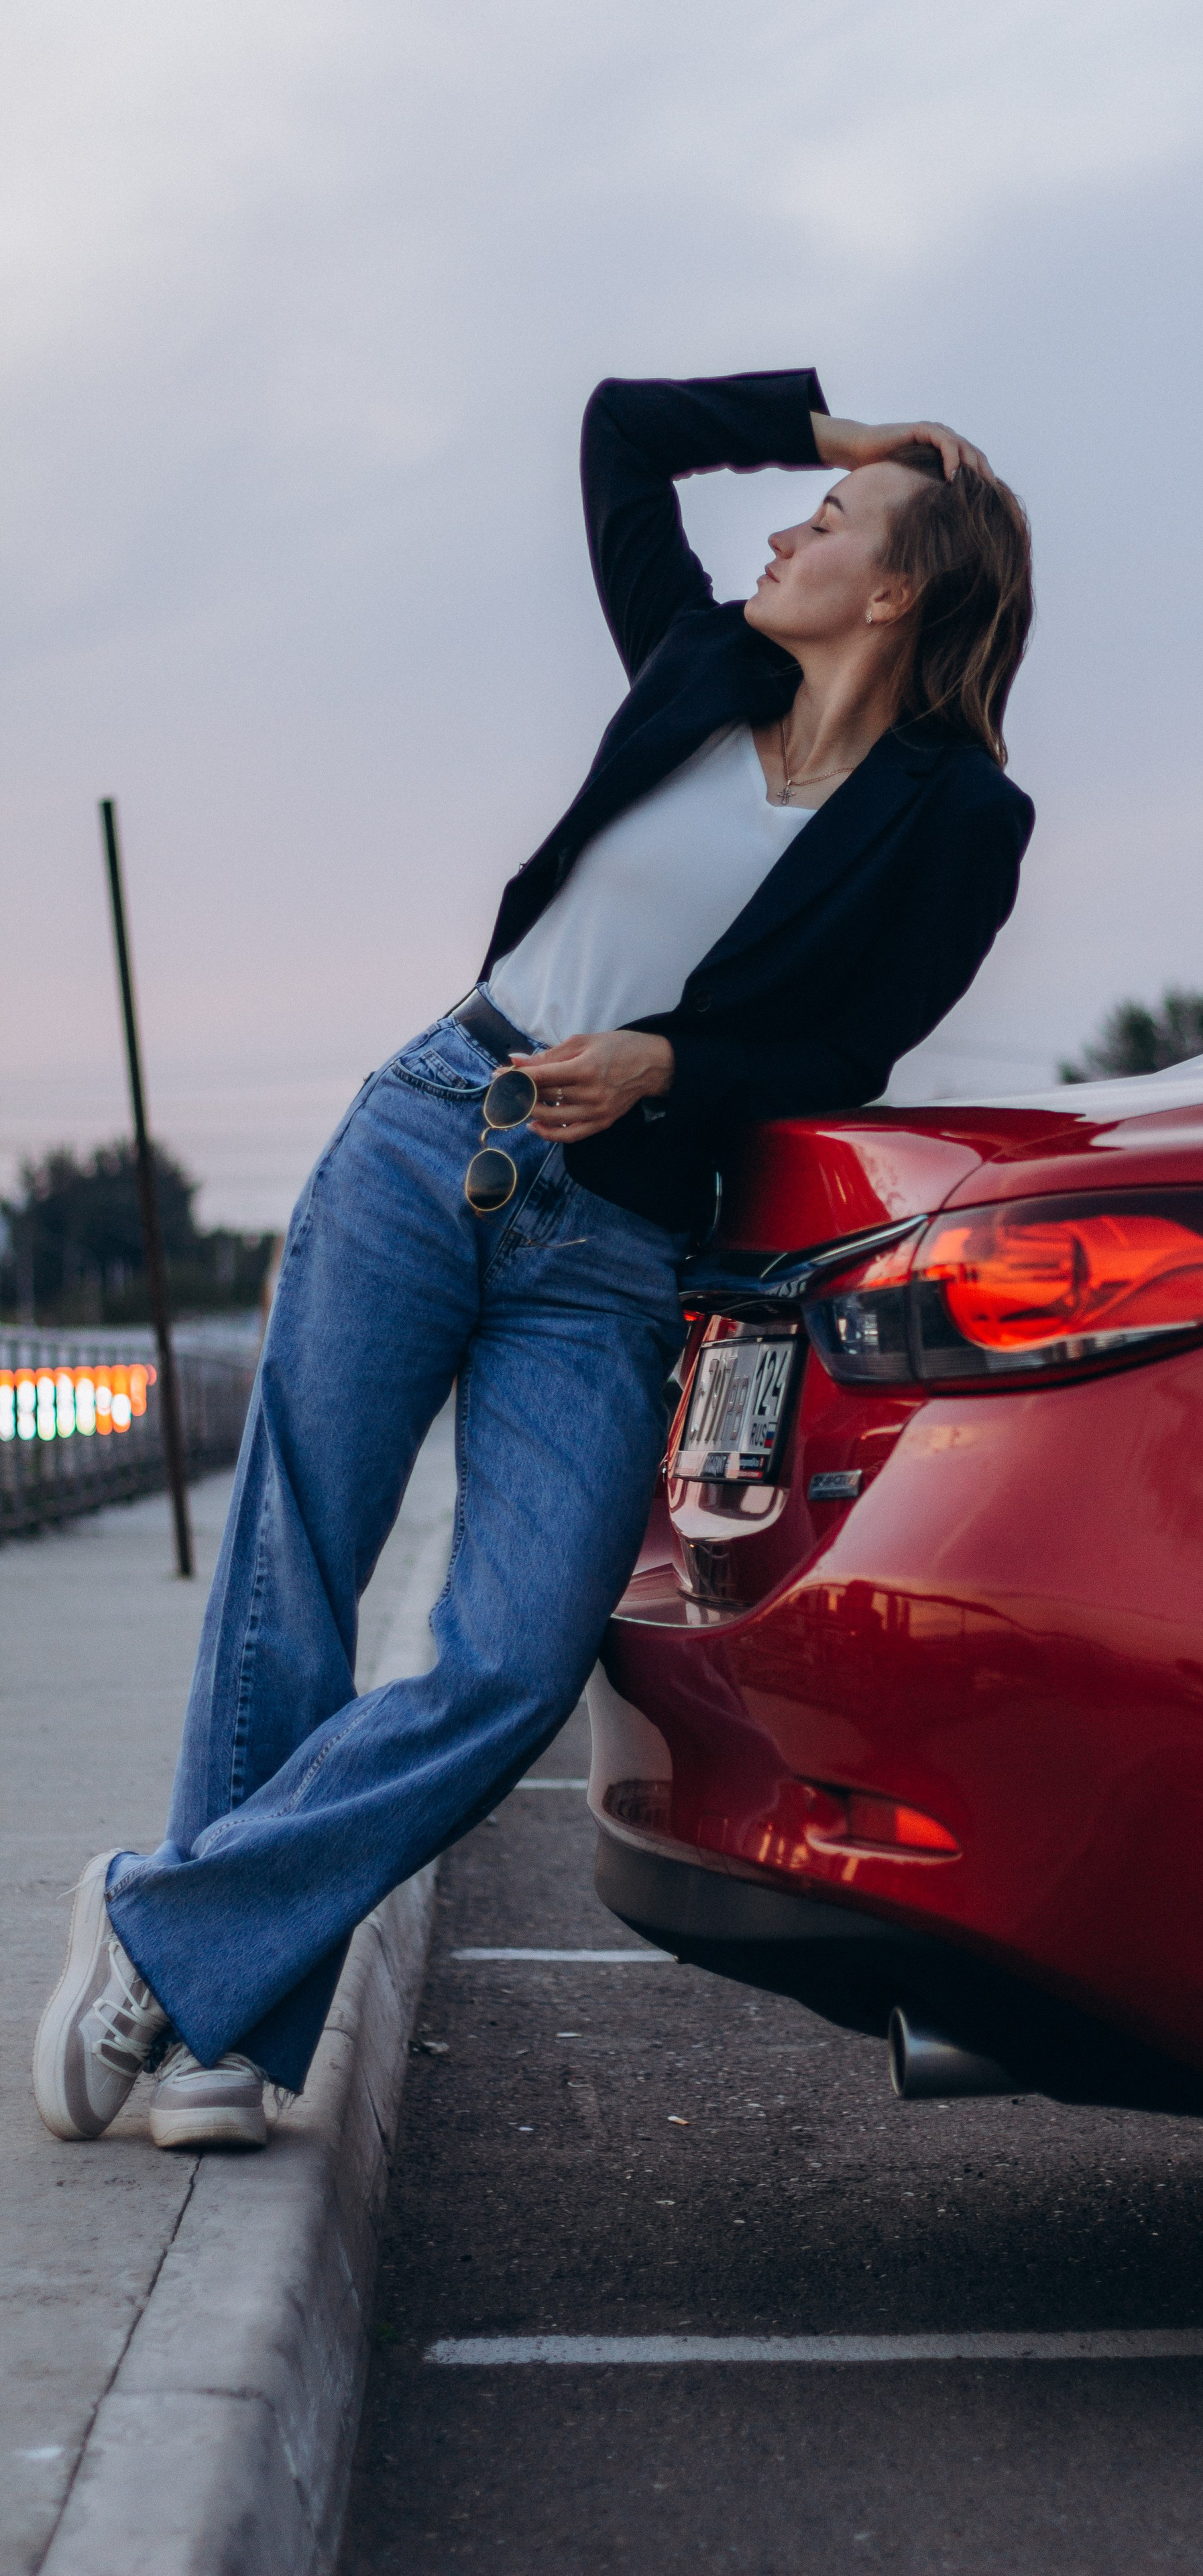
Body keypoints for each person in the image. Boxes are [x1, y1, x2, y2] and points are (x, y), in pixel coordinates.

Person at [34, 367, 1034, 2153]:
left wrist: (672, 1068)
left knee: (514, 1658)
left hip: (618, 1245)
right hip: (436, 1130)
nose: (789, 534)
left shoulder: (959, 822)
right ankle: (226, 2039)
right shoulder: (700, 663)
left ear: (899, 593)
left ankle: (161, 1927)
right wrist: (839, 433)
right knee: (299, 1559)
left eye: (830, 529)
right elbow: (618, 431)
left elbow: (854, 1051)